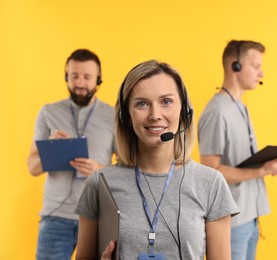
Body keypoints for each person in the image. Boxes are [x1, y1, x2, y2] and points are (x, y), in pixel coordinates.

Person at [74, 60, 240, 260]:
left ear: (183, 112)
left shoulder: (211, 184)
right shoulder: (100, 183)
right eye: (142, 104)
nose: (155, 115)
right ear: (126, 115)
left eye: (166, 102)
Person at [198, 40, 277, 260]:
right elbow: (211, 172)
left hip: (250, 216)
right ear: (236, 66)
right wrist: (263, 171)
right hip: (231, 222)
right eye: (255, 65)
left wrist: (269, 165)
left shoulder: (241, 106)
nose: (261, 72)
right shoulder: (217, 112)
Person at [27, 49, 117, 260]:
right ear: (66, 77)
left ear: (98, 79)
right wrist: (49, 148)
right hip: (55, 217)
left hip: (98, 217)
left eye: (87, 77)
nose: (80, 83)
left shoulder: (113, 115)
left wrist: (99, 170)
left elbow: (129, 167)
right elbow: (32, 167)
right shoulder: (48, 112)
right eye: (74, 76)